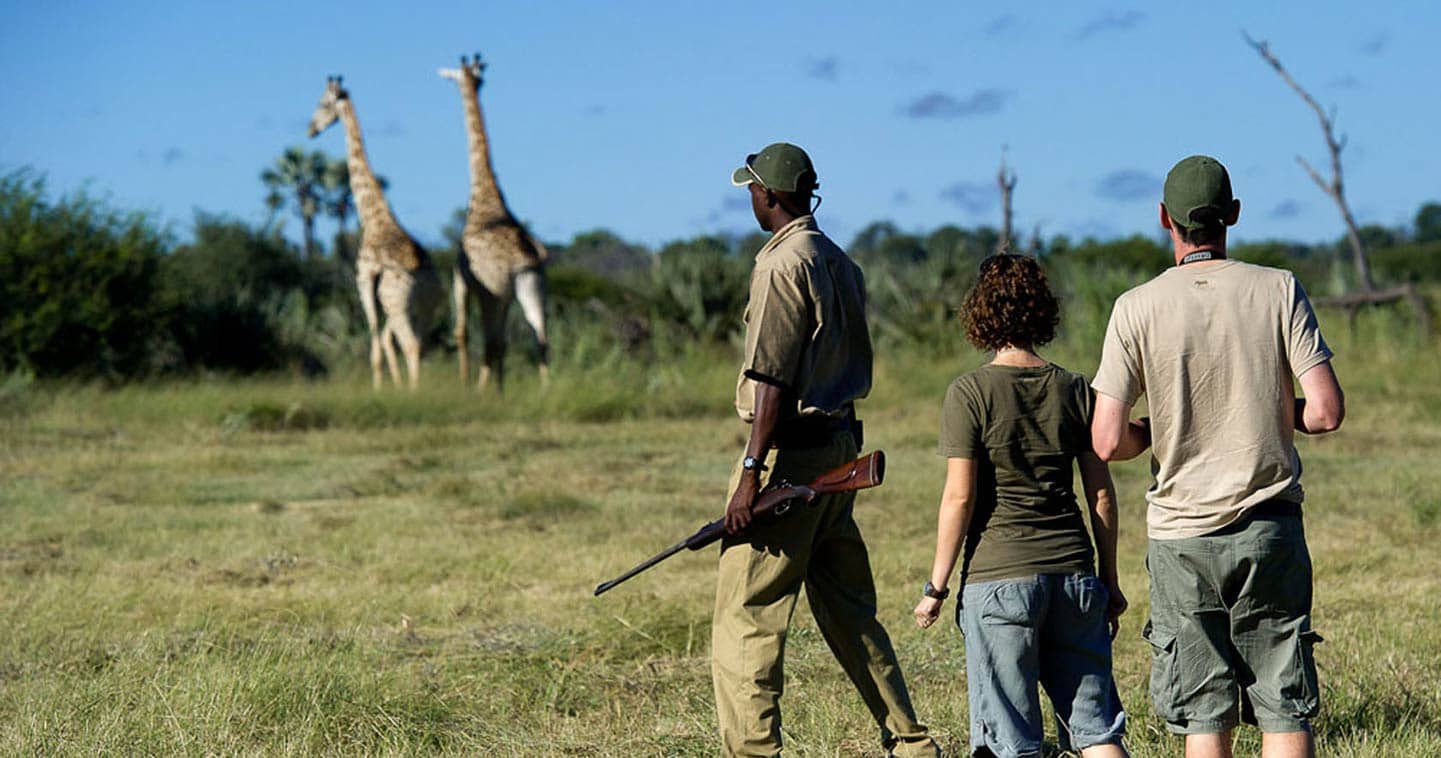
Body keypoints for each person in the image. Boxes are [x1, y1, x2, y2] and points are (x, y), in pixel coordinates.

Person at [1090, 155, 1345, 758]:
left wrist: (1156, 430)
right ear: (1232, 214)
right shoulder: (1278, 287)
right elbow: (1325, 411)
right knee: (1285, 707)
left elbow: (1107, 440)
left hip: (1181, 535)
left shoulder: (1136, 306)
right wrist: (1266, 408)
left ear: (1163, 219)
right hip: (1270, 525)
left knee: (1204, 715)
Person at [712, 142, 941, 758]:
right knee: (850, 614)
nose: (751, 198)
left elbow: (773, 381)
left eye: (754, 189)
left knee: (747, 616)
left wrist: (750, 474)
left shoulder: (781, 265)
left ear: (772, 196)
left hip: (794, 457)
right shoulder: (839, 261)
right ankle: (912, 743)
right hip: (839, 451)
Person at [913, 254, 1130, 758]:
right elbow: (1100, 492)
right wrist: (1109, 581)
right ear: (1042, 312)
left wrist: (936, 587)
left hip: (999, 580)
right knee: (1097, 731)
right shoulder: (1076, 389)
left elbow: (960, 497)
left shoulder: (969, 393)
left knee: (1010, 741)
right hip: (1075, 576)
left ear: (980, 313)